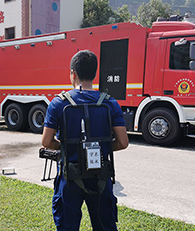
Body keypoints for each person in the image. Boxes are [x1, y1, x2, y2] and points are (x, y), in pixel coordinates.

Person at [42, 50, 129, 231]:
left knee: (67, 226)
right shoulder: (110, 103)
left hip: (69, 176)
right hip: (100, 177)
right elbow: (122, 142)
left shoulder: (58, 103)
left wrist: (66, 148)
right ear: (95, 73)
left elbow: (46, 141)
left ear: (73, 73)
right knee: (105, 226)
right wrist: (101, 147)